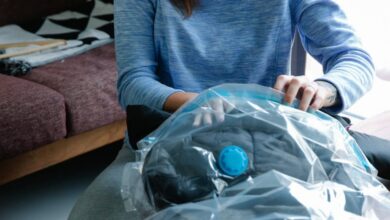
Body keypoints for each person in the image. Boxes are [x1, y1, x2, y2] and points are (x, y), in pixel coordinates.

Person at [69, 0, 375, 219]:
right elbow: (133, 84)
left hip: (267, 143)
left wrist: (322, 89)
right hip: (165, 142)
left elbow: (354, 59)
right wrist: (198, 102)